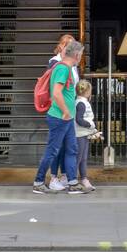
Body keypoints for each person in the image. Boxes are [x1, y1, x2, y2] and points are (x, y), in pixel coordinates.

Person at [33, 40, 85, 194]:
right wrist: (66, 111)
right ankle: (39, 181)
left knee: (71, 149)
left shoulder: (63, 67)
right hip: (61, 117)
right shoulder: (63, 69)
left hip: (64, 117)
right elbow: (56, 93)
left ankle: (73, 182)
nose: (81, 58)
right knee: (53, 150)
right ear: (76, 55)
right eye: (81, 55)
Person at [46, 34, 81, 190]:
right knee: (57, 146)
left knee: (69, 146)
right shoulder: (56, 63)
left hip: (69, 110)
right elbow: (55, 90)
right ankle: (53, 177)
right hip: (60, 111)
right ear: (61, 46)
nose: (71, 49)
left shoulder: (72, 64)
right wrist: (64, 110)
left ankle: (67, 177)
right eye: (68, 45)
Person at [74, 79, 100, 193]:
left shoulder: (80, 102)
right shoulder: (81, 103)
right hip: (80, 134)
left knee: (82, 158)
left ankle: (83, 179)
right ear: (87, 91)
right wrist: (90, 125)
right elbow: (79, 119)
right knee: (79, 158)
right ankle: (74, 180)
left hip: (83, 134)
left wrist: (92, 130)